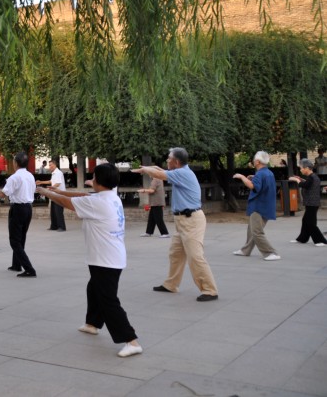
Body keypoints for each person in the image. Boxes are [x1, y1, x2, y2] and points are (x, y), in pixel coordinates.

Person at [37, 163, 142, 358]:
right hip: (108, 256)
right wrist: (59, 190)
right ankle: (92, 324)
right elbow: (82, 196)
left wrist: (46, 192)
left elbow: (66, 202)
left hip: (105, 259)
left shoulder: (98, 203)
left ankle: (131, 340)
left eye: (93, 177)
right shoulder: (110, 196)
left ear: (99, 181)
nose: (92, 180)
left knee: (108, 300)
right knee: (93, 289)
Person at [133, 147, 219, 301]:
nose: (167, 160)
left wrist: (146, 169)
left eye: (169, 158)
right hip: (183, 221)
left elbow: (160, 174)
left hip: (191, 221)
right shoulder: (180, 172)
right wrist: (152, 168)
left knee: (195, 257)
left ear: (176, 162)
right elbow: (162, 171)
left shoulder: (183, 173)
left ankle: (210, 290)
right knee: (176, 254)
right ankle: (171, 284)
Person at [0, 152, 37, 277]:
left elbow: (3, 194)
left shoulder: (15, 177)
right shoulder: (30, 176)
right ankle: (16, 264)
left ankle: (29, 269)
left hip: (18, 209)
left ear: (16, 163)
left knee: (14, 240)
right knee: (21, 238)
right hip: (28, 208)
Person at [232, 151, 281, 261]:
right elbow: (263, 182)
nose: (253, 161)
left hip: (259, 206)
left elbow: (253, 186)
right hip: (266, 205)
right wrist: (254, 177)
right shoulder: (268, 173)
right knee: (252, 229)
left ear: (258, 162)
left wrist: (242, 177)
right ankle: (246, 250)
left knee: (256, 231)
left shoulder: (260, 174)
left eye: (254, 160)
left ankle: (271, 252)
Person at [289, 159, 327, 246]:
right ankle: (302, 239)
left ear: (307, 168)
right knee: (306, 221)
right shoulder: (313, 176)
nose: (300, 170)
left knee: (311, 223)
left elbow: (305, 185)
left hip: (312, 203)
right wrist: (300, 179)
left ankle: (321, 241)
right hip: (312, 203)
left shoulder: (312, 177)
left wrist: (296, 180)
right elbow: (308, 183)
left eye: (301, 168)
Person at [37, 159, 67, 231]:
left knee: (58, 212)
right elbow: (51, 181)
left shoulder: (58, 173)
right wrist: (41, 182)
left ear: (54, 165)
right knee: (53, 211)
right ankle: (54, 226)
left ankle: (62, 227)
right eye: (49, 165)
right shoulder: (54, 173)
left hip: (59, 195)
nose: (49, 167)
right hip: (54, 195)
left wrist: (49, 189)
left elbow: (58, 183)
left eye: (50, 165)